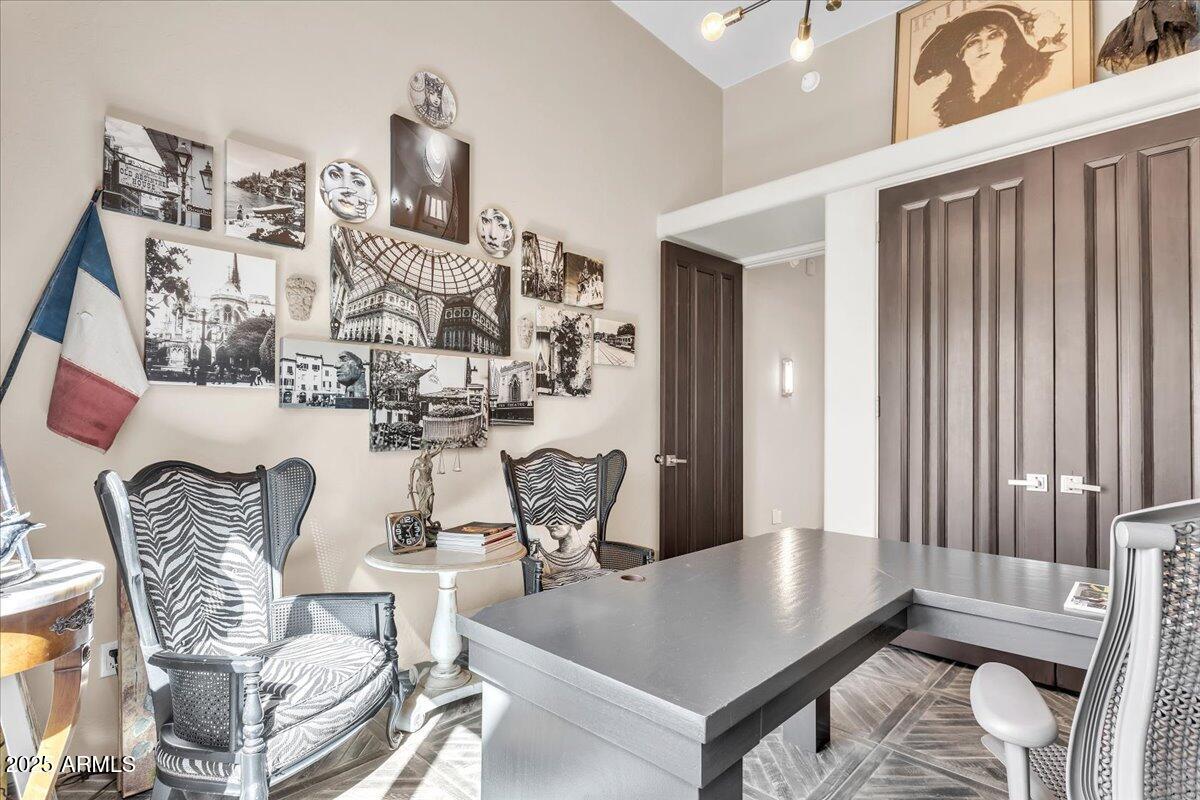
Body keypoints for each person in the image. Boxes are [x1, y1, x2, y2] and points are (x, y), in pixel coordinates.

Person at [913, 4, 1063, 128]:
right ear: (961, 55)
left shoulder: (1028, 85)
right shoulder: (946, 105)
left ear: (1004, 41)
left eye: (992, 36)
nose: (984, 46)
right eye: (973, 42)